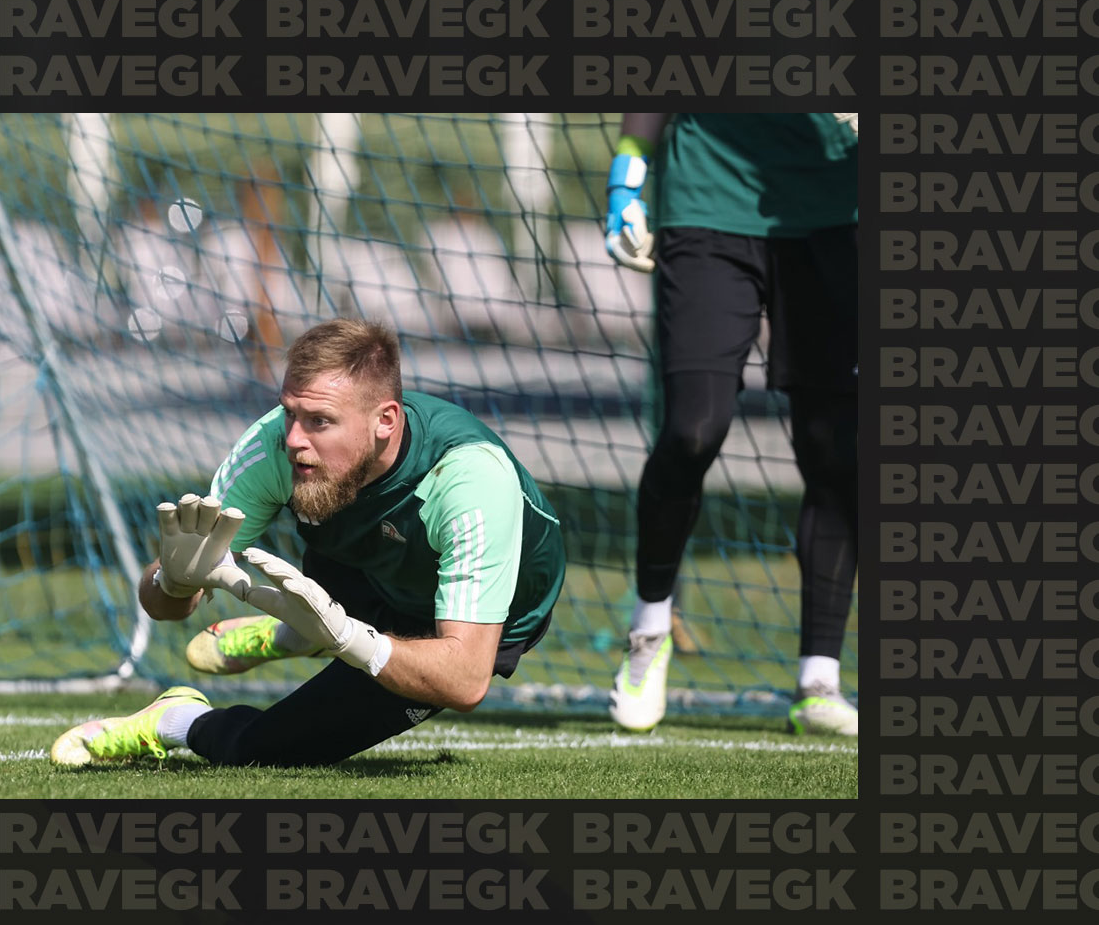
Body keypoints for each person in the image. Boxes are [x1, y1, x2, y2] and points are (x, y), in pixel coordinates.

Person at [50, 318, 566, 767]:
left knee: (267, 749)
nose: (295, 437)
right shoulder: (274, 446)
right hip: (357, 566)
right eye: (290, 411)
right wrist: (172, 578)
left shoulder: (469, 482)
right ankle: (302, 629)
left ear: (385, 419)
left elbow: (465, 681)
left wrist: (347, 638)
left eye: (320, 421)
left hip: (455, 621)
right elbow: (165, 606)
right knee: (322, 529)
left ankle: (178, 717)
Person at [603, 113, 859, 736]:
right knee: (694, 429)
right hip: (707, 206)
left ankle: (818, 679)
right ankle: (649, 633)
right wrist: (626, 178)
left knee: (835, 452)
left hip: (834, 213)